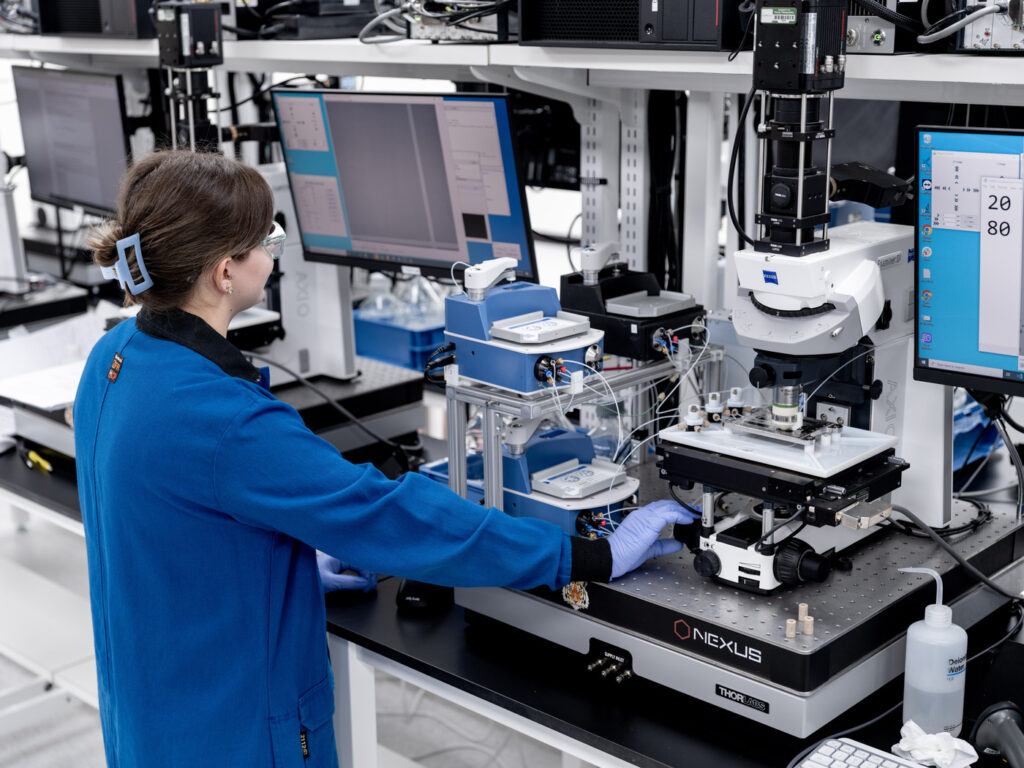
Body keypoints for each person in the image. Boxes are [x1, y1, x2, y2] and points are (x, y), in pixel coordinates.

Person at [74, 150, 698, 768]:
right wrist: (587, 553)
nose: (273, 251)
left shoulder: (116, 356)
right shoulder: (227, 422)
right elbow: (387, 514)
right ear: (224, 272)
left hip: (152, 717)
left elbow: (165, 526)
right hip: (232, 734)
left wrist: (281, 560)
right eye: (266, 239)